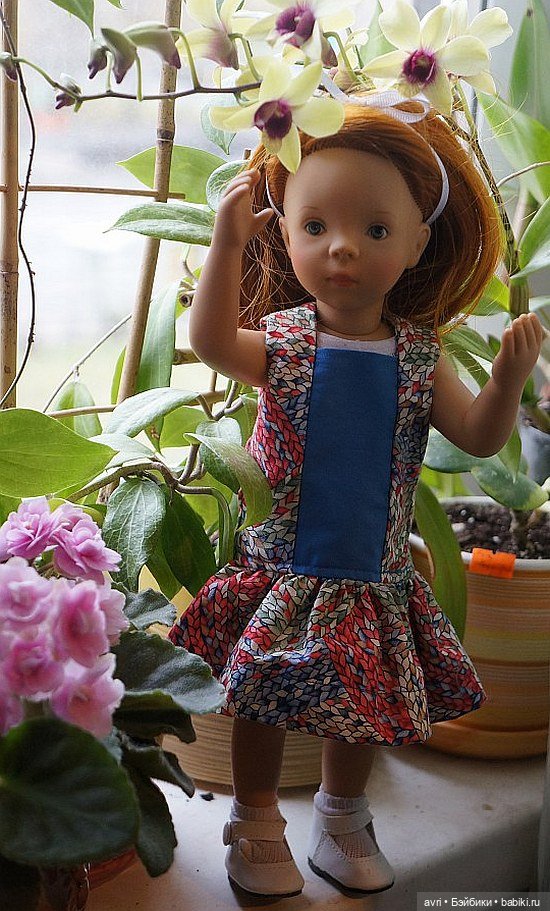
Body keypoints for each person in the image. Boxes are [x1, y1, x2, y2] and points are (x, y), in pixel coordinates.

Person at [169, 95, 544, 898]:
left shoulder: (419, 355)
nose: (342, 247)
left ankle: (343, 816)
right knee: (263, 700)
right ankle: (256, 817)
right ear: (285, 233)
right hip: (285, 564)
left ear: (416, 244)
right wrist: (225, 244)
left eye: (375, 229)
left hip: (370, 572)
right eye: (316, 226)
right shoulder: (284, 341)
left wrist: (508, 378)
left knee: (361, 704)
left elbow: (478, 436)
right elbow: (210, 342)